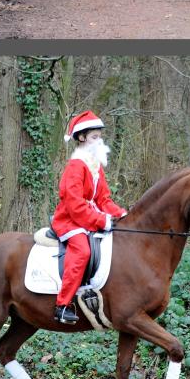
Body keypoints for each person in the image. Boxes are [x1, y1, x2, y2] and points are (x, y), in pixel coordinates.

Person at [51, 111, 127, 324]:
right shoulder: (75, 166)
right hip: (69, 220)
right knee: (82, 251)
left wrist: (121, 214)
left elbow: (104, 199)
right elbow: (74, 204)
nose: (99, 140)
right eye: (95, 136)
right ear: (82, 138)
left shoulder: (95, 166)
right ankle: (62, 305)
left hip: (90, 218)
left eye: (100, 136)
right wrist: (101, 220)